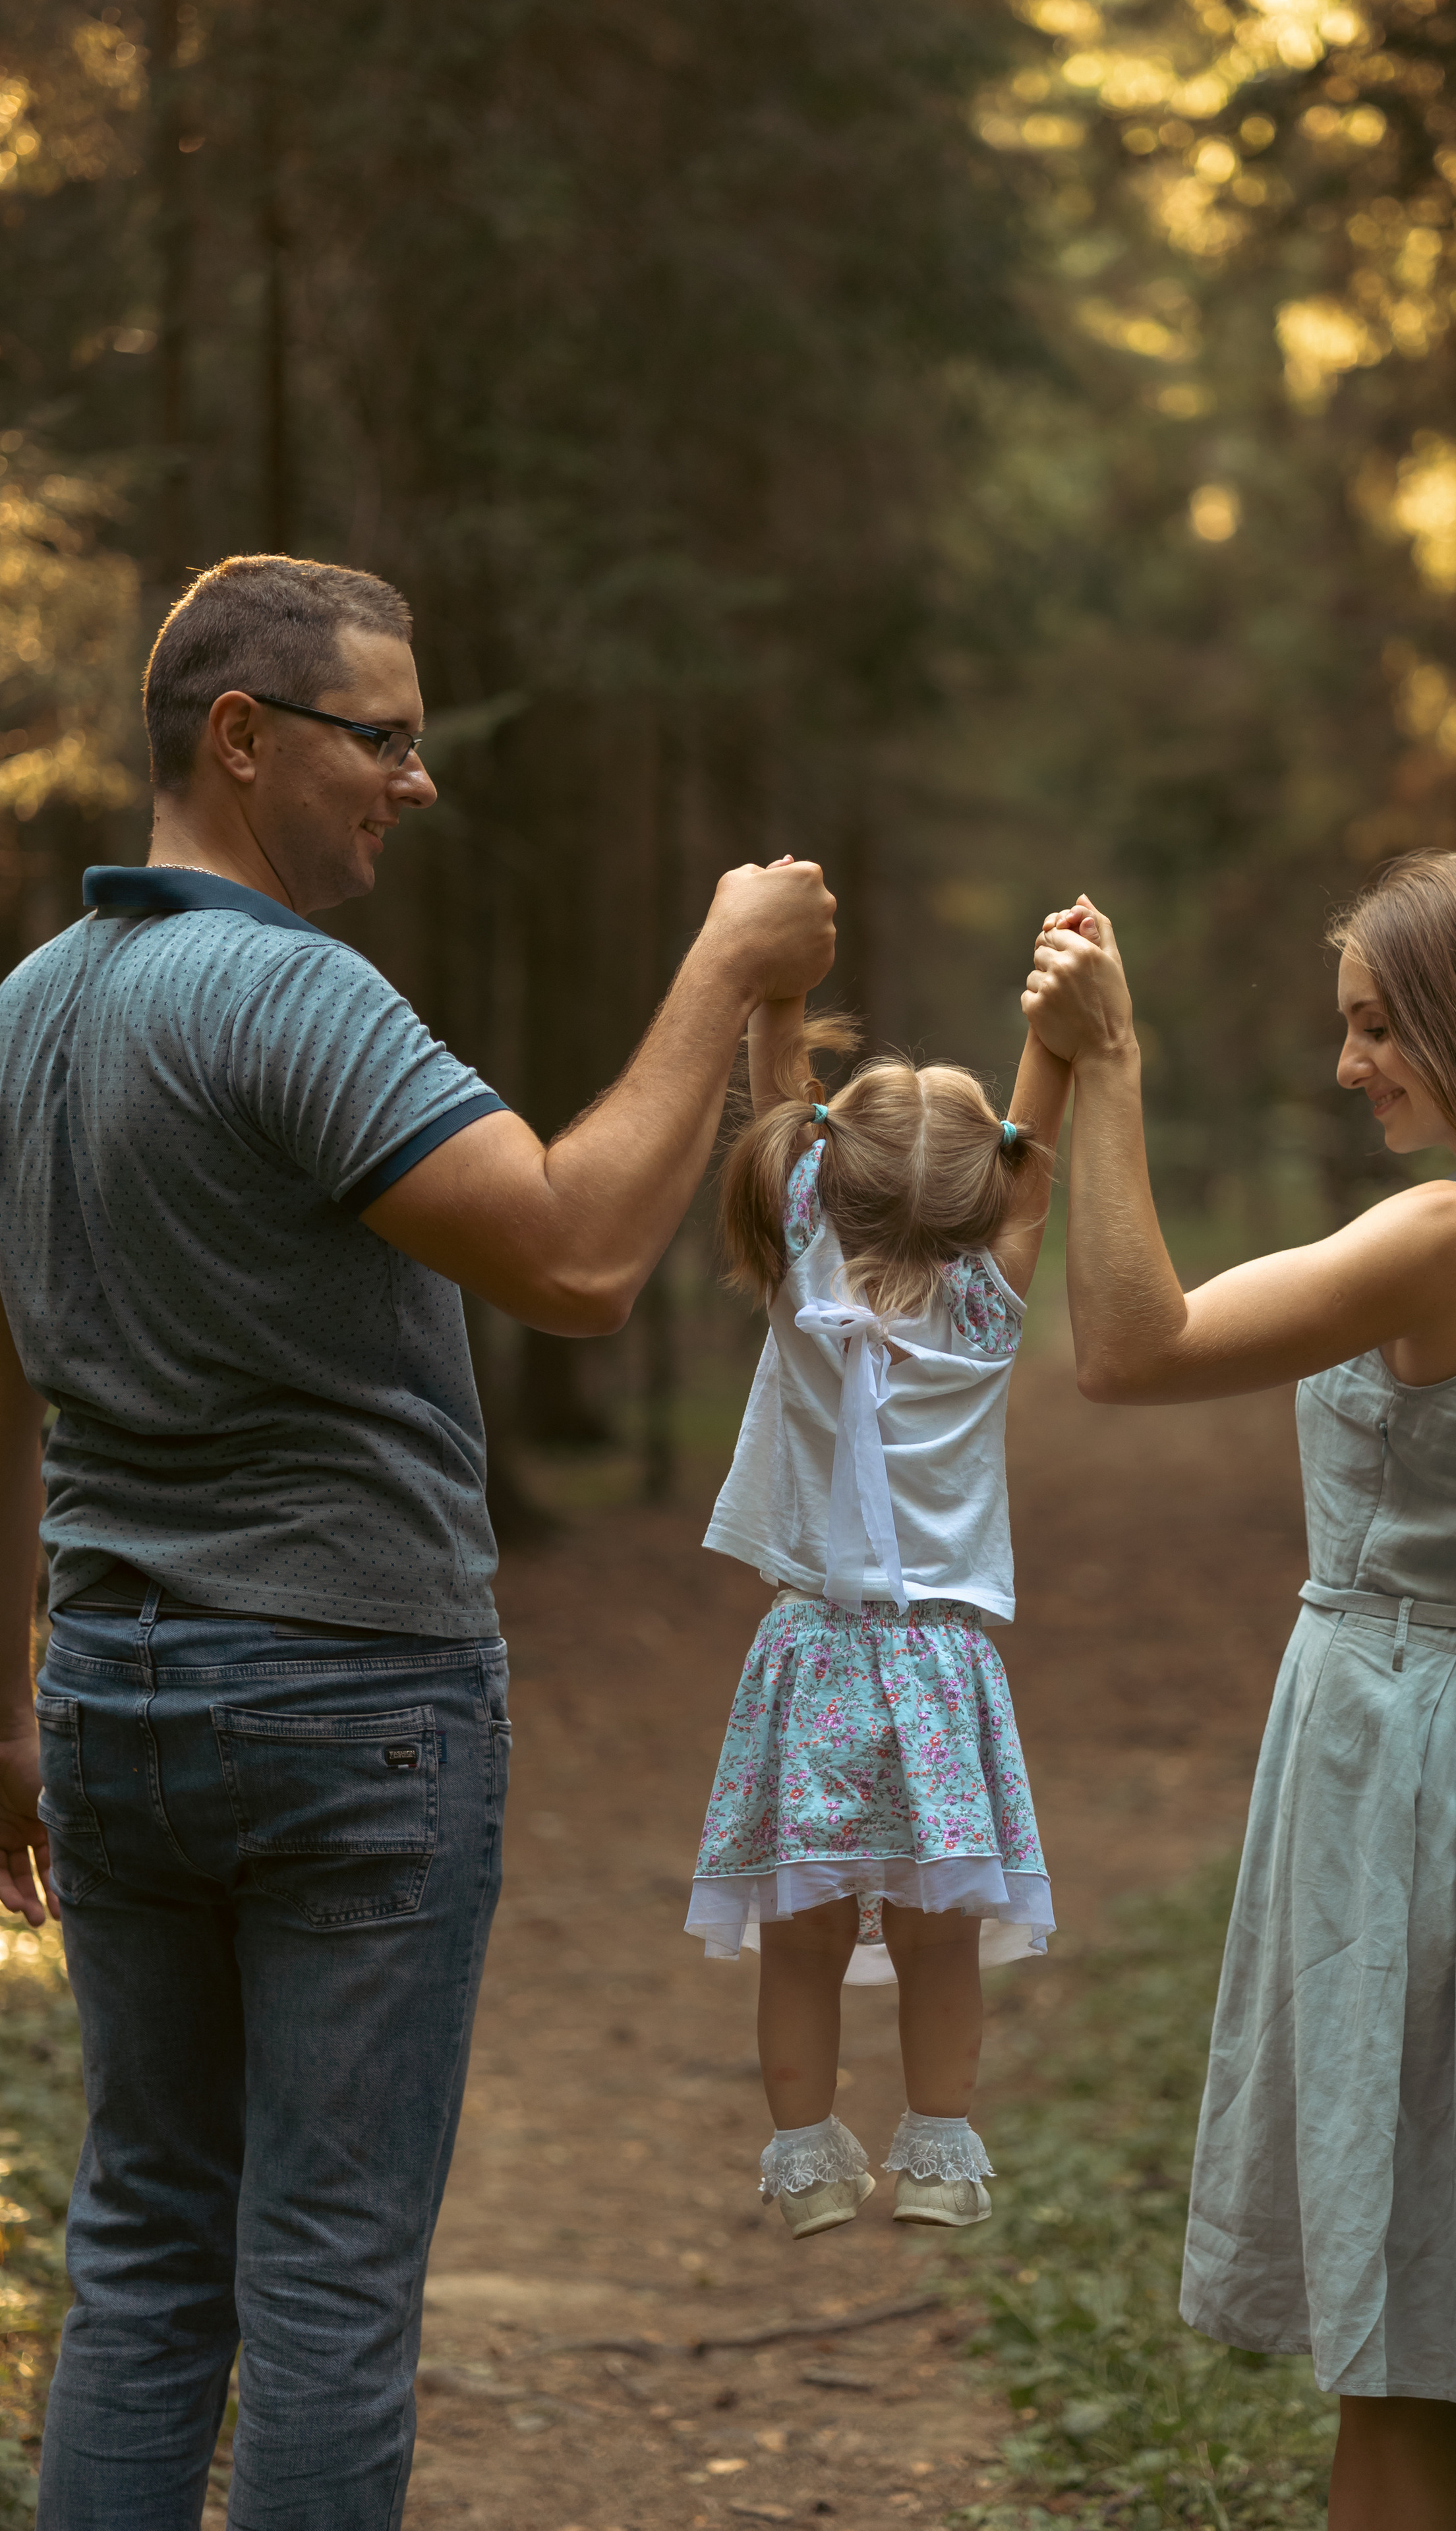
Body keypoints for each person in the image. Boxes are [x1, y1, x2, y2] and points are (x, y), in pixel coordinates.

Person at [0, 552, 835, 2530]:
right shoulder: (285, 992)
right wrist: (727, 969)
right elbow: (568, 1257)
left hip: (106, 1701)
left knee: (139, 2249)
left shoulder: (26, 1010)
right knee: (325, 2272)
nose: (416, 777)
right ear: (241, 738)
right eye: (382, 738)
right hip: (348, 1702)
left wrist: (13, 1711)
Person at [1022, 854, 1456, 2531]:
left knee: (1394, 2346)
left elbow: (1126, 1347)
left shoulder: (1449, 1233)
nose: (1349, 1065)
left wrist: (1110, 1071)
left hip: (1409, 1775)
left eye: (1380, 1026)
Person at [684, 995, 1070, 2235]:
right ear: (991, 1202)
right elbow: (1031, 1158)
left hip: (811, 1659)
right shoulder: (989, 1312)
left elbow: (782, 1113)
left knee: (797, 1934)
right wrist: (1054, 1031)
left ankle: (804, 2161)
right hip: (942, 1672)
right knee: (937, 1934)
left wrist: (784, 994)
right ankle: (943, 2157)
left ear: (824, 1180)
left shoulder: (805, 1280)